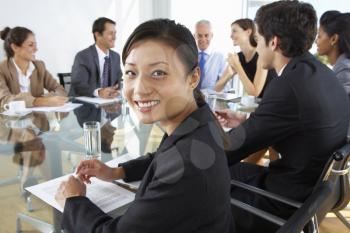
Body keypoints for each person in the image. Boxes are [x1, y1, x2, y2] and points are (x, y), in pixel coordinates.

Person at [55, 19, 233, 233]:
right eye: (131, 73)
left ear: (193, 77)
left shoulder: (186, 165)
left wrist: (73, 202)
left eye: (158, 73)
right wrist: (116, 172)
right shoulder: (197, 121)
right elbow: (161, 157)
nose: (139, 89)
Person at [216, 1, 350, 232]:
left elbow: (233, 148)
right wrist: (245, 122)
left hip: (285, 200)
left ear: (274, 42)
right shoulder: (322, 74)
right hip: (315, 193)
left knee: (203, 175)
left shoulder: (287, 85)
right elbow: (294, 125)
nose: (257, 47)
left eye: (258, 39)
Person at [0, 27, 67, 108]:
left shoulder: (39, 66)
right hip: (10, 120)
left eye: (35, 44)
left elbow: (60, 90)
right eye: (30, 45)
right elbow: (4, 100)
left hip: (36, 119)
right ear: (15, 47)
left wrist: (45, 100)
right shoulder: (2, 69)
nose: (36, 49)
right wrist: (39, 101)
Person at [215, 18, 276, 97]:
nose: (231, 36)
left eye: (234, 31)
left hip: (273, 101)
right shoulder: (238, 57)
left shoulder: (261, 55)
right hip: (258, 104)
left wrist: (237, 66)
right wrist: (228, 75)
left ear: (248, 32)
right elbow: (217, 88)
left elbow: (254, 93)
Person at [69, 17, 122, 99]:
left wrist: (116, 91)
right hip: (84, 106)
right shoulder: (83, 56)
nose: (115, 37)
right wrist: (99, 92)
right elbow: (78, 86)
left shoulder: (116, 57)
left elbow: (118, 82)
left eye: (115, 33)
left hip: (108, 104)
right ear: (97, 35)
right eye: (110, 33)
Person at [316, 10, 350, 99]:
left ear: (333, 39)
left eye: (319, 36)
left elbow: (341, 105)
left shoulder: (344, 67)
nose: (316, 41)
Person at [194, 20, 227, 90]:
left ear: (211, 36)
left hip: (210, 98)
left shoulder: (220, 57)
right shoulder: (188, 55)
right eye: (199, 35)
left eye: (206, 35)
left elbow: (225, 86)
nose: (203, 39)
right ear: (194, 36)